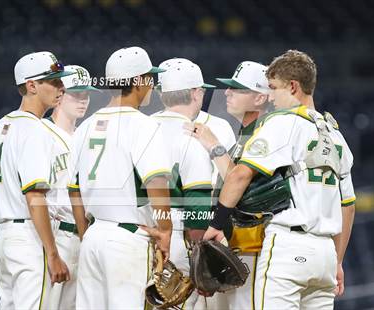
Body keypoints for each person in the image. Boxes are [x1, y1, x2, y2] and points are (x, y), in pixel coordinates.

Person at [202, 50, 356, 310]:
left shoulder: (283, 122)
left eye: (274, 88)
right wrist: (338, 261)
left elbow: (240, 174)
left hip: (289, 245)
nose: (271, 96)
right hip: (326, 256)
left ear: (293, 86)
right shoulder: (336, 135)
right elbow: (348, 206)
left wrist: (217, 224)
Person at [69, 46, 172, 309]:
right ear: (138, 81)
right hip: (127, 239)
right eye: (149, 77)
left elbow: (74, 191)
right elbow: (156, 185)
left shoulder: (85, 126)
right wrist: (166, 231)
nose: (152, 83)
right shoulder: (144, 125)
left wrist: (85, 235)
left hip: (93, 237)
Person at [0, 51, 72, 309]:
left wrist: (12, 197)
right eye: (53, 81)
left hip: (5, 238)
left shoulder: (0, 127)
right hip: (30, 236)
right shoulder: (36, 130)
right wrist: (52, 254)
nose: (61, 87)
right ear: (31, 85)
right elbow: (34, 196)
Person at [188, 61, 270, 310]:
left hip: (254, 246)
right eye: (229, 87)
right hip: (237, 243)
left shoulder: (265, 133)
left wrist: (214, 145)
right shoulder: (245, 137)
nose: (227, 92)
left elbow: (240, 182)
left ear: (259, 98)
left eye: (238, 89)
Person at [152, 57, 215, 309]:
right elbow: (197, 208)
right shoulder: (192, 134)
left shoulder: (141, 126)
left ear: (160, 93)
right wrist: (201, 261)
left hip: (138, 233)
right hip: (177, 237)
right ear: (196, 93)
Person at [43, 65, 97, 310]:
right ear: (60, 94)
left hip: (85, 237)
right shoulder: (41, 133)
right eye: (76, 93)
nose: (83, 100)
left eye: (86, 94)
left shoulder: (86, 136)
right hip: (56, 235)